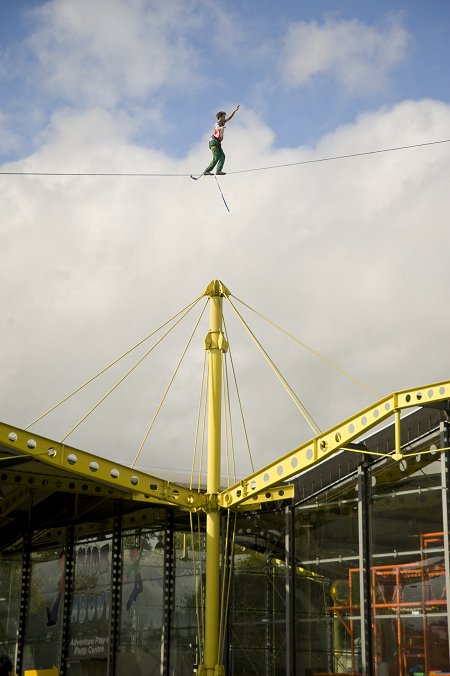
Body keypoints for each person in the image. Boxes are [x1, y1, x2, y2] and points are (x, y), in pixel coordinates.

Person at [204, 105, 240, 176]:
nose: (224, 117)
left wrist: (234, 111)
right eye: (223, 116)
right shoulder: (217, 123)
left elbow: (229, 118)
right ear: (220, 117)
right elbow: (217, 128)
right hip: (213, 142)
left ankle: (218, 171)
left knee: (222, 156)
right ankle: (207, 171)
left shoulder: (223, 122)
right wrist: (221, 127)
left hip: (218, 143)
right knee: (216, 156)